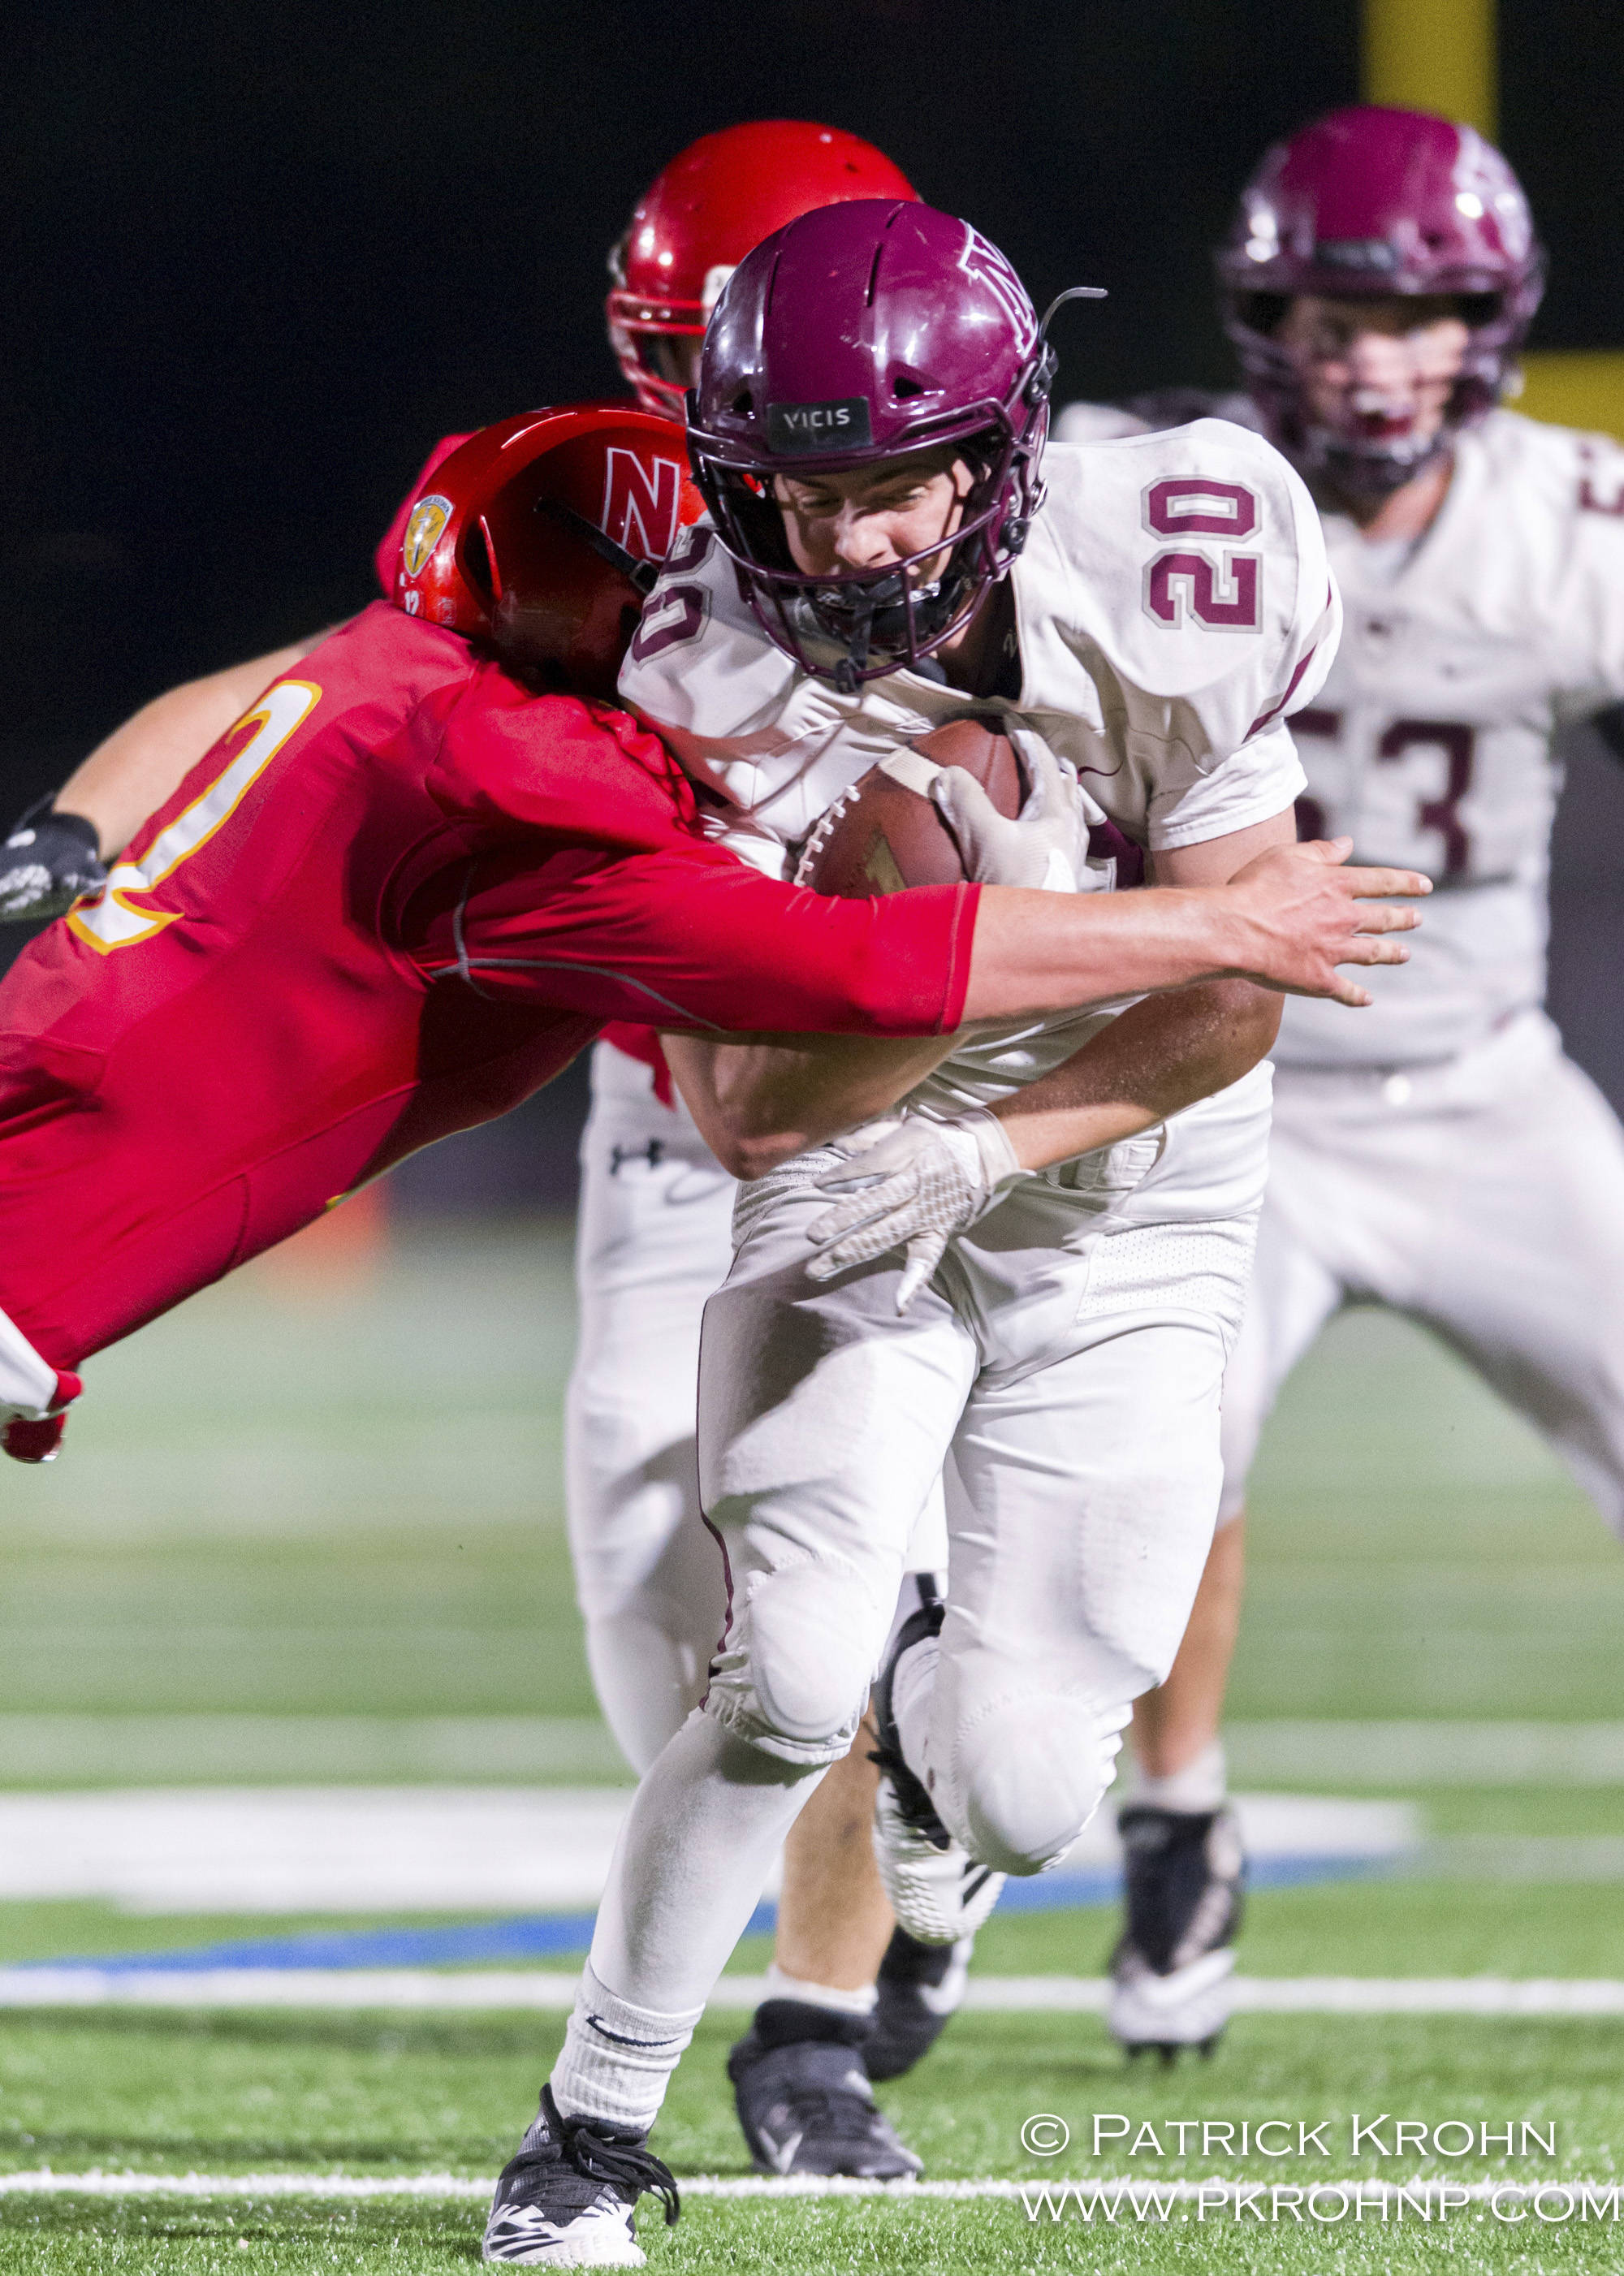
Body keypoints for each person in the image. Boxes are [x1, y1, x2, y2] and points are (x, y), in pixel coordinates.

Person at [0, 120, 970, 2178]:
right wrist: (81, 834)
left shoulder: (960, 502)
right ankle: (831, 1891)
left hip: (934, 1067)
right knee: (659, 1586)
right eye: (691, 352)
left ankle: (816, 2012)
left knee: (878, 1589)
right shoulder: (605, 513)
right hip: (668, 1066)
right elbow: (312, 687)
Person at [477, 200, 1428, 2266]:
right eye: (799, 498)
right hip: (842, 1157)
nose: (846, 547)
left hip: (1134, 1188)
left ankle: (933, 1757)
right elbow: (736, 1104)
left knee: (1017, 1793)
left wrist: (996, 1138)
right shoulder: (693, 666)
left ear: (999, 457)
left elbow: (1235, 997)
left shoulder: (1189, 553)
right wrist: (916, 975)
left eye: (895, 483)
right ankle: (585, 2129)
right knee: (778, 1673)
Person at [0, 400, 1406, 1477]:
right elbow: (847, 966)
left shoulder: (396, 669)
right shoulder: (521, 788)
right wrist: (1215, 920)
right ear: (605, 595)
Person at [1053, 106, 1624, 2059]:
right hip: (1227, 1087)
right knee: (1154, 1469)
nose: (1371, 354)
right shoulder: (1142, 489)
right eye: (1328, 309)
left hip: (1483, 1092)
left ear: (1490, 323)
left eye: (1418, 314)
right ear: (1259, 312)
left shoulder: (1574, 523)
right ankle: (1177, 1817)